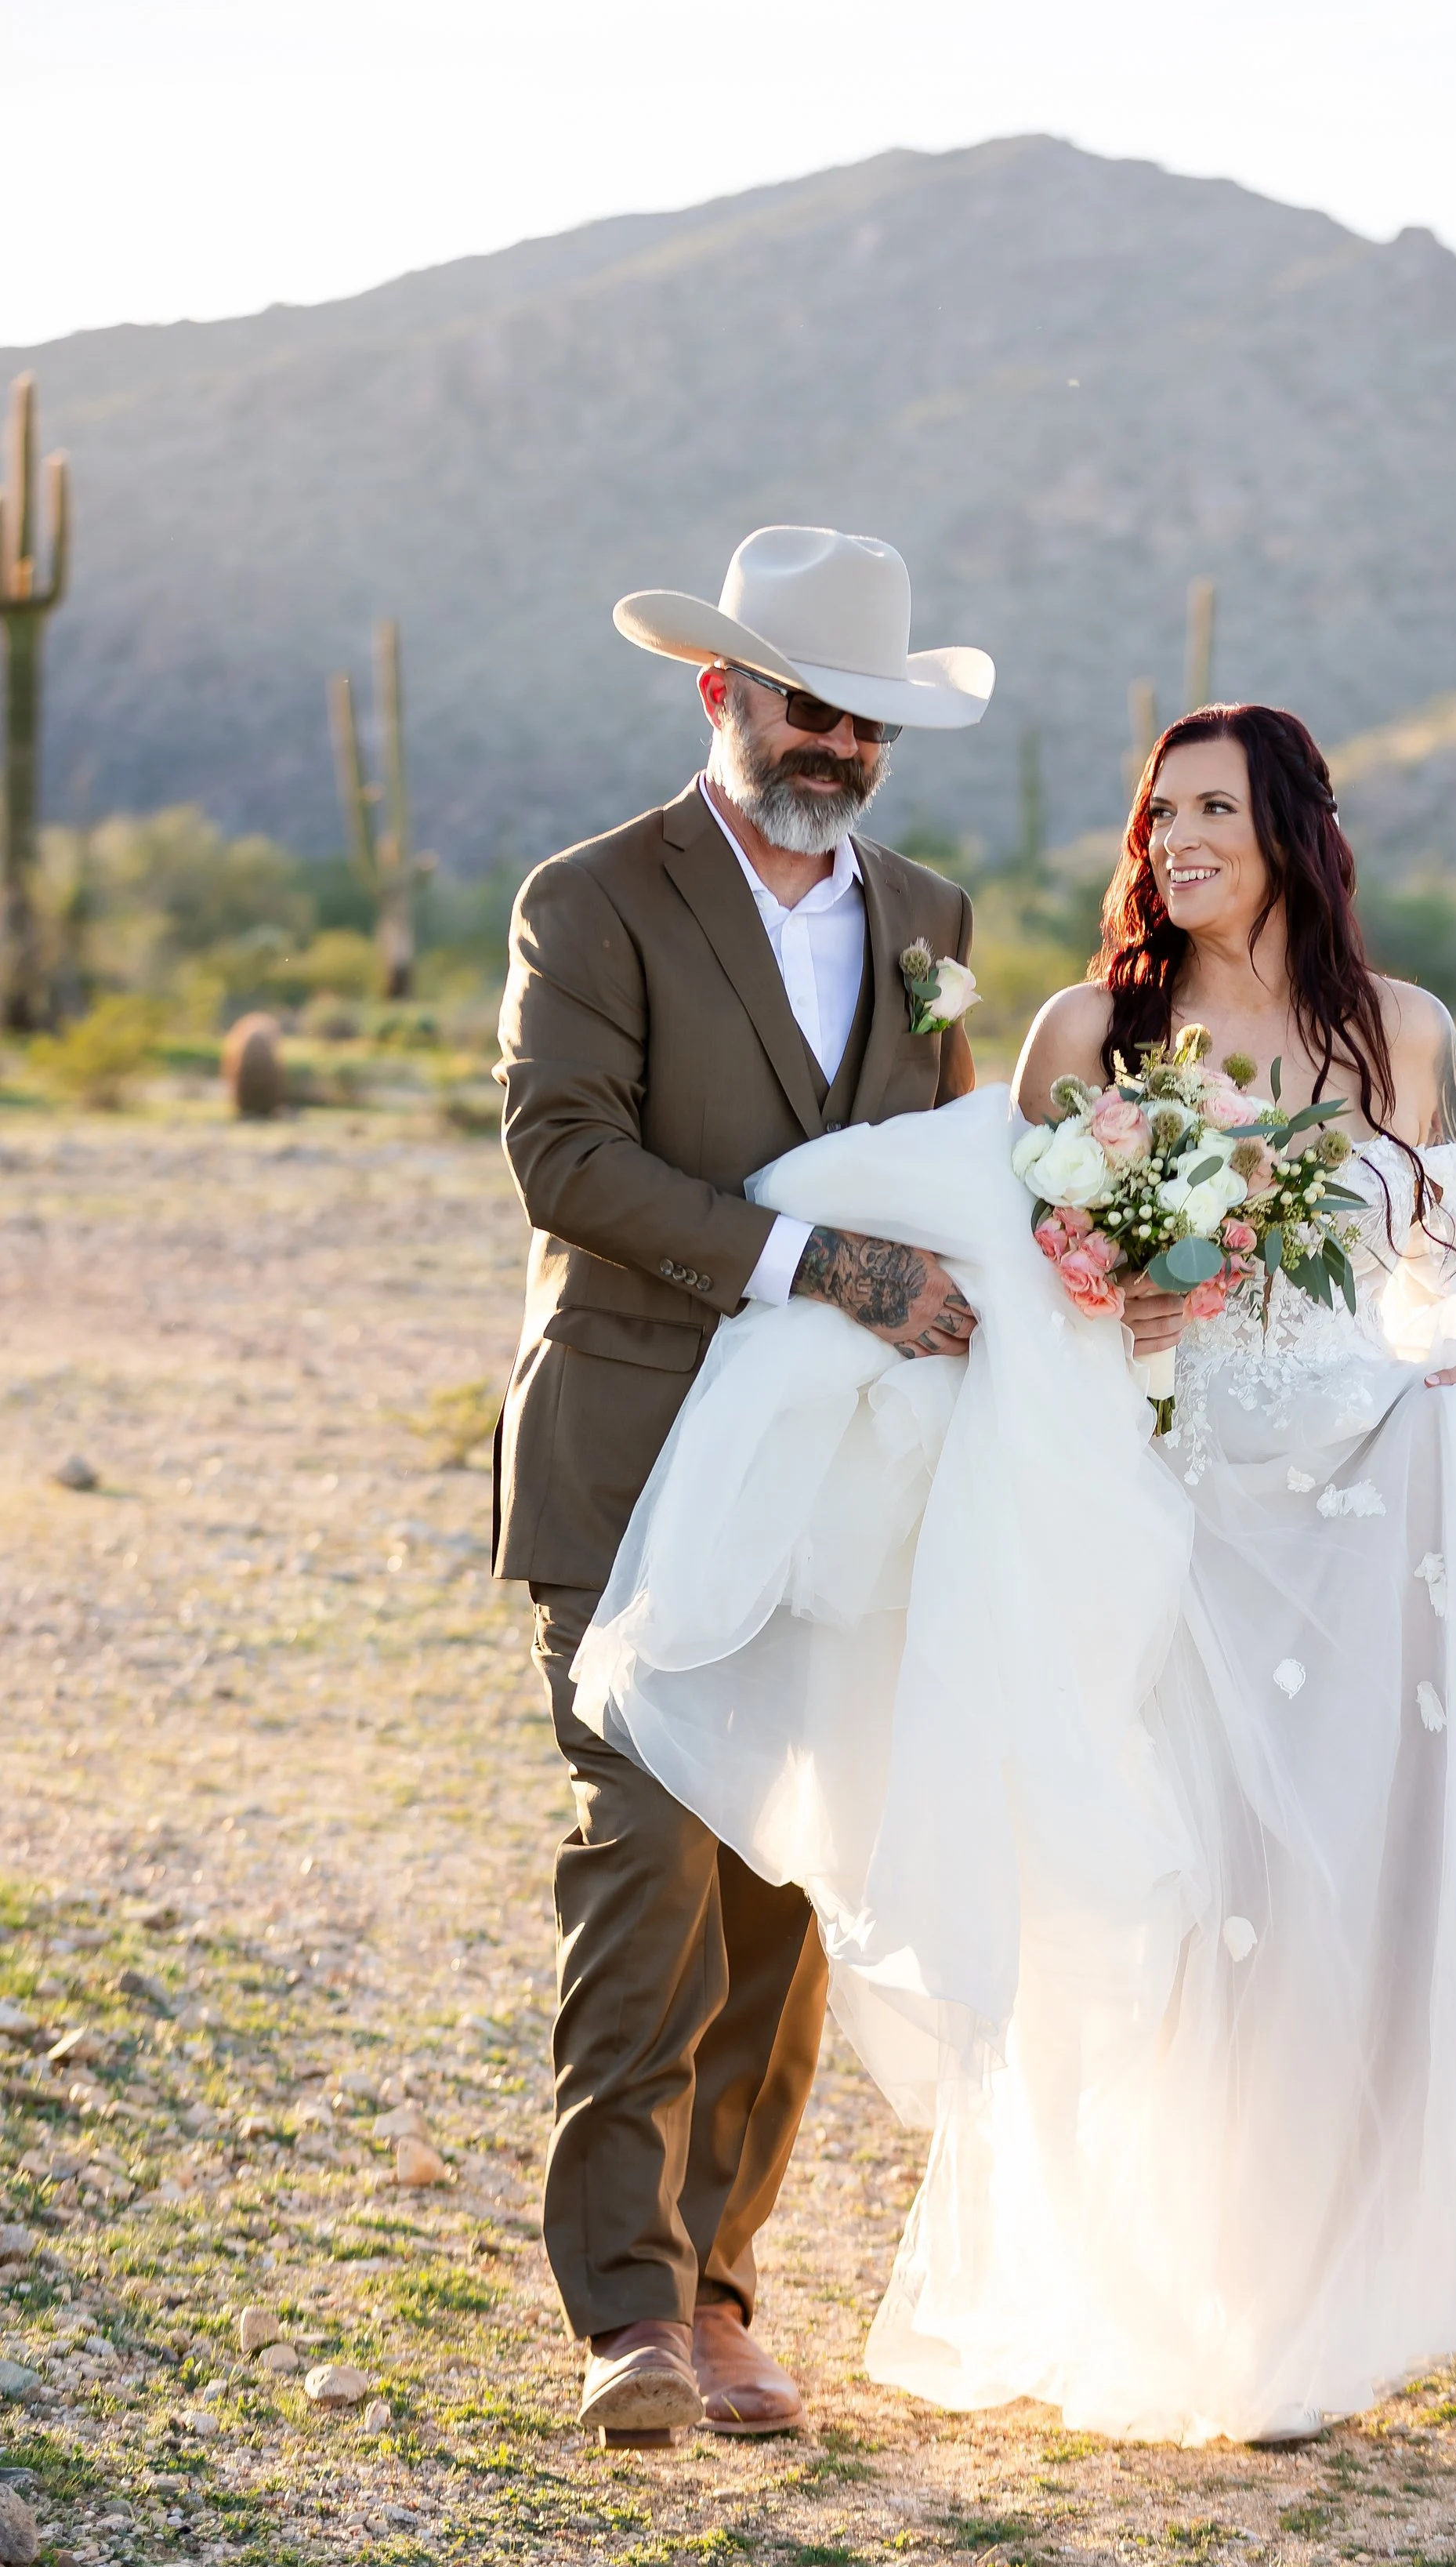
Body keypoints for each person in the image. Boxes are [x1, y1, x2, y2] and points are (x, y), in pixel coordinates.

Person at [572, 702, 1456, 2446]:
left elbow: (1450, 1263)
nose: (1173, 839)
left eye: (1209, 808)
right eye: (1154, 811)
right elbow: (1026, 1274)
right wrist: (1118, 1297)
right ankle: (1164, 2309)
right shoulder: (1084, 1032)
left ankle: (1310, 2320)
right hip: (1160, 1506)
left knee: (1341, 1918)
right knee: (1175, 1915)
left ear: (1288, 826)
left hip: (1356, 1514)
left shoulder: (1401, 1032)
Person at [494, 525, 992, 2445]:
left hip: (831, 1475)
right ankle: (620, 2317)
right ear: (722, 692)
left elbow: (941, 1165)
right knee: (649, 1864)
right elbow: (562, 1153)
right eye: (810, 706)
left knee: (786, 1878)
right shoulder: (593, 898)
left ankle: (717, 2292)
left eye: (869, 722)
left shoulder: (929, 910)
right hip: (627, 1445)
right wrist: (817, 1265)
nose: (842, 747)